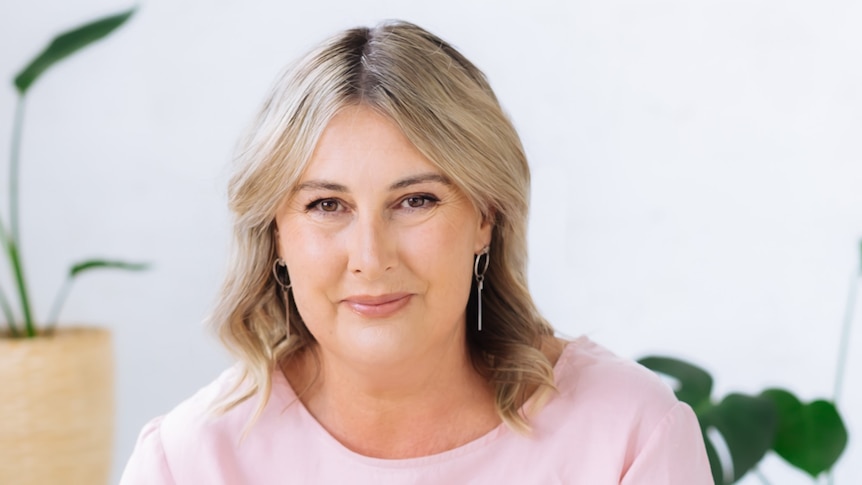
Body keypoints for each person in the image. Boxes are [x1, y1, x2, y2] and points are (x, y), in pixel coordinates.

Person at [120, 20, 712, 484]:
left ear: (486, 216)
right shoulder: (188, 463)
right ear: (276, 234)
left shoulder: (629, 434)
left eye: (416, 201)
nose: (371, 258)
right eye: (327, 205)